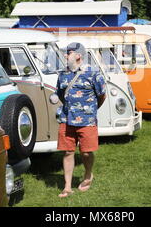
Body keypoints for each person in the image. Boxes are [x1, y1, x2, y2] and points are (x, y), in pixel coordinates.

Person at [55, 42, 106, 198]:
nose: (65, 55)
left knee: (86, 153)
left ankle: (88, 175)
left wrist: (90, 111)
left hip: (87, 120)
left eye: (68, 52)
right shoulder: (63, 74)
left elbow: (102, 95)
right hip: (66, 119)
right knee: (68, 152)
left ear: (78, 55)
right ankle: (67, 187)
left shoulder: (93, 73)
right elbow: (60, 94)